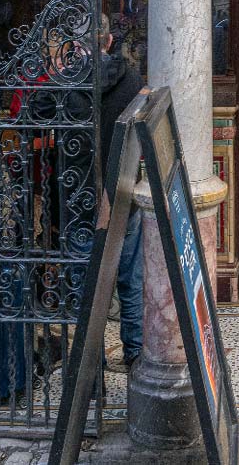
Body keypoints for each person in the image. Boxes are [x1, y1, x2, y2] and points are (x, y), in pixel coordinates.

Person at [97, 19, 147, 372]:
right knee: (131, 278)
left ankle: (90, 369)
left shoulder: (69, 82)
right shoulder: (132, 81)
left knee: (87, 289)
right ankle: (136, 353)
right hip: (123, 188)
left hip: (80, 197)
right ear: (110, 39)